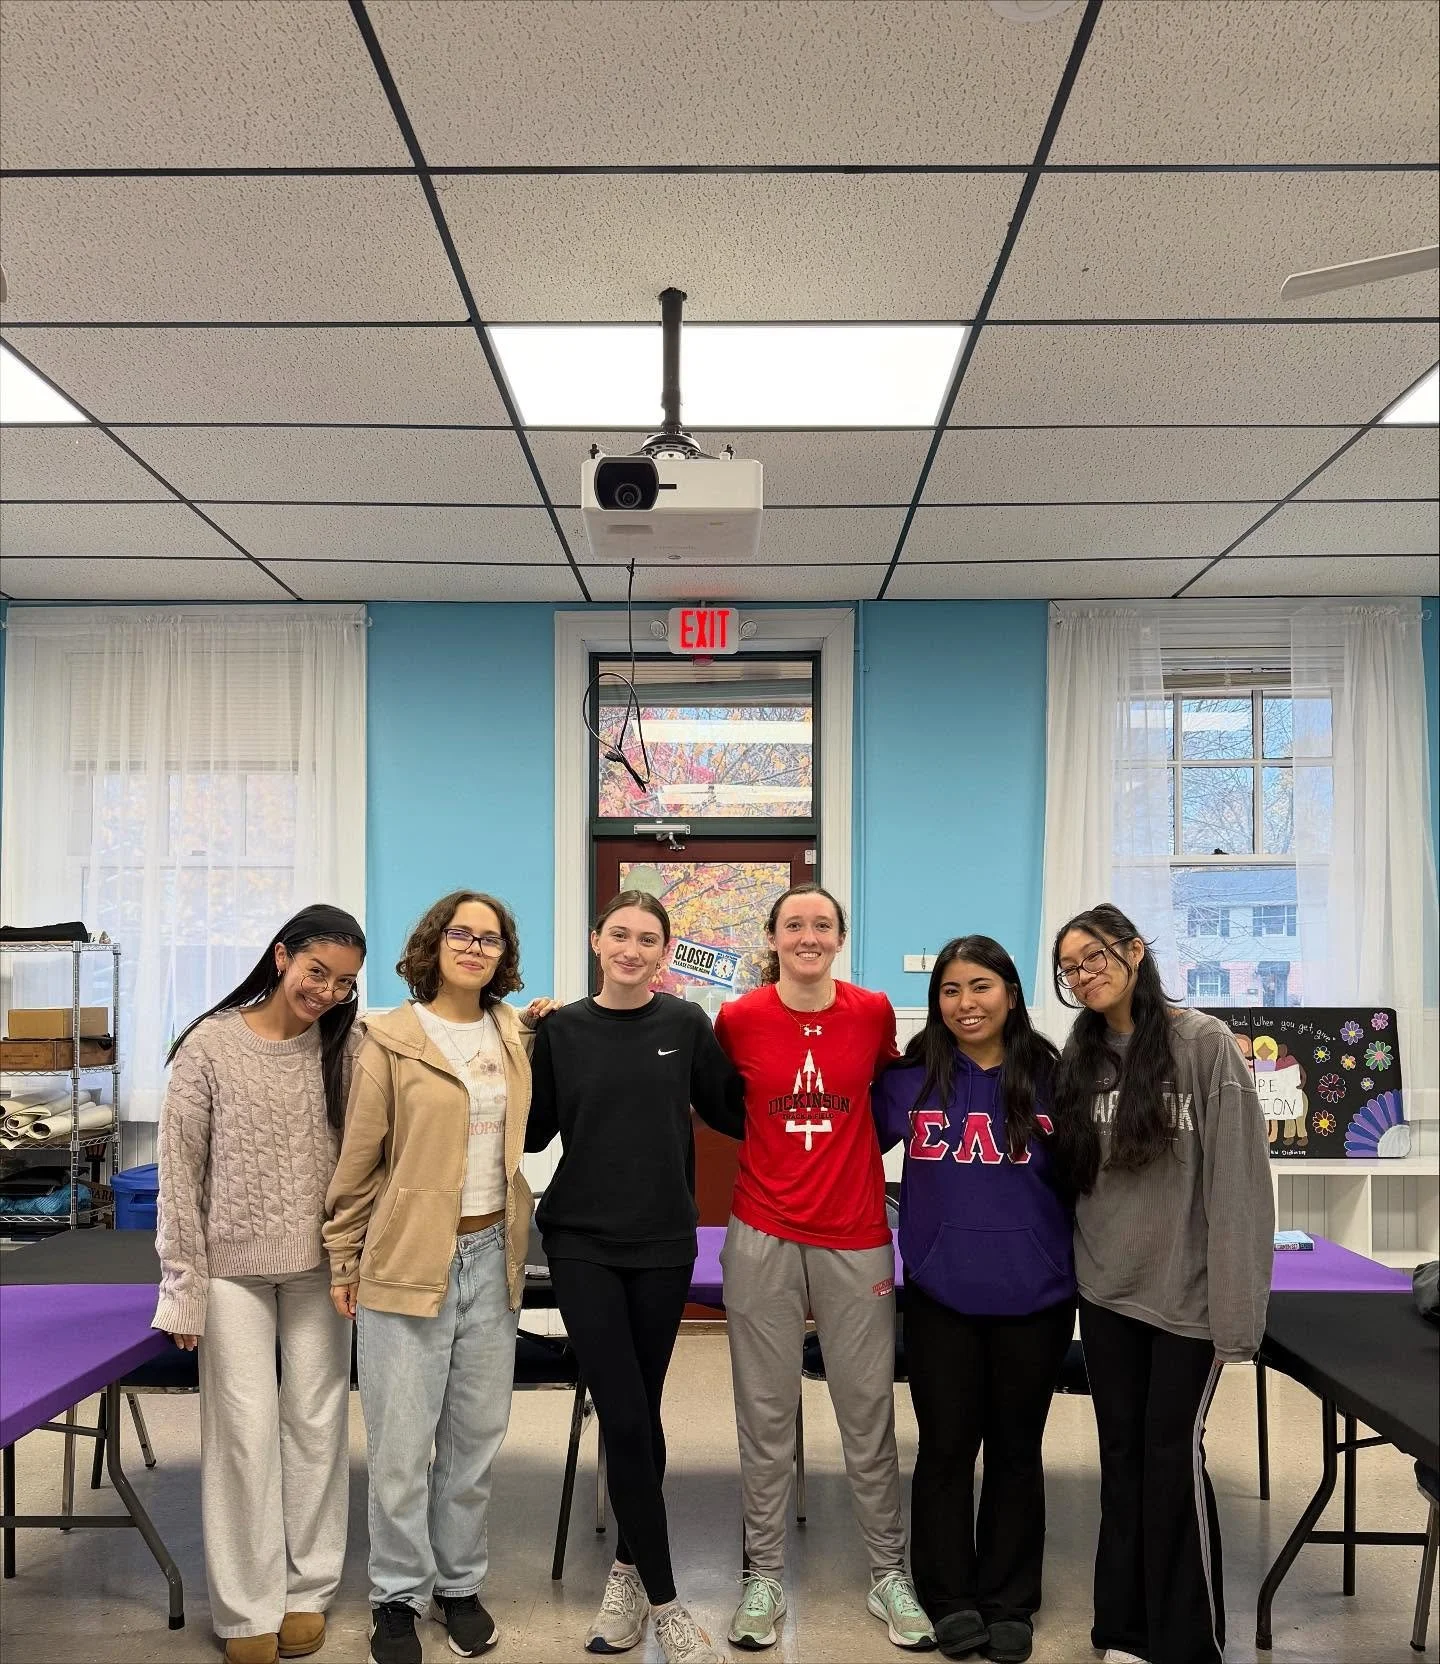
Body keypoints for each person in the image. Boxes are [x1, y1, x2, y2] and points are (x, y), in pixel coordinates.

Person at [323, 891, 555, 1664]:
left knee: (474, 1441)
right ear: (435, 942)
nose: (475, 947)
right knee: (398, 1446)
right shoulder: (387, 1038)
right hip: (406, 1262)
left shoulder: (511, 1033)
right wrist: (343, 1256)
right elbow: (360, 1160)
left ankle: (457, 1584)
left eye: (490, 938)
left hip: (494, 1256)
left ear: (502, 956)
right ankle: (395, 1596)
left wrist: (540, 1020)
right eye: (462, 932)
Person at [525, 891, 746, 1664]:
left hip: (662, 1242)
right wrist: (517, 1040)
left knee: (640, 1416)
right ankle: (665, 1599)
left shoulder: (686, 1025)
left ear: (664, 952)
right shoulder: (561, 1029)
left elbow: (736, 1113)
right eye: (618, 934)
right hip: (581, 1240)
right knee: (621, 1414)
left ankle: (624, 1569)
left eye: (647, 938)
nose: (631, 948)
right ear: (595, 941)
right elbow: (530, 1129)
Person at [1049, 903, 1273, 1664]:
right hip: (1107, 1294)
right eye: (1071, 967)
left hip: (1188, 1301)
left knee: (1171, 1460)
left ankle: (1186, 1643)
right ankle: (1122, 1631)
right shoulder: (1076, 1057)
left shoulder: (1202, 1044)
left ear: (1135, 951)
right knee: (1123, 1461)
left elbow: (1242, 1187)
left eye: (1096, 957)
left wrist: (1237, 1319)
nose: (1084, 975)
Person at [713, 882, 934, 1653]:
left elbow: (892, 1091)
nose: (808, 935)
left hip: (855, 1233)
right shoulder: (738, 1018)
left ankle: (887, 1573)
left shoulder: (871, 1010)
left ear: (840, 937)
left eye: (822, 924)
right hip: (763, 1231)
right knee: (765, 1415)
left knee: (866, 1411)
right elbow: (715, 1103)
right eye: (793, 924)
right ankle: (763, 1575)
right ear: (772, 937)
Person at [154, 903, 367, 1664]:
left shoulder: (347, 1046)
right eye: (317, 973)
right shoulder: (209, 1045)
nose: (328, 992)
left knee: (316, 1427)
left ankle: (308, 1590)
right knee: (243, 1437)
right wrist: (182, 1285)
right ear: (282, 958)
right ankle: (247, 1606)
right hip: (231, 1272)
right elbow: (180, 1174)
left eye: (344, 983)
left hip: (321, 1270)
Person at [873, 936, 1075, 1664]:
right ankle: (950, 1597)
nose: (967, 1003)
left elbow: (1097, 1179)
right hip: (941, 1294)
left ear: (1012, 994)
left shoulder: (1057, 1077)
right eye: (951, 991)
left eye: (981, 987)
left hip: (1039, 1294)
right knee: (947, 1450)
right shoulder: (910, 1079)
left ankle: (1009, 1600)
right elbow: (839, 1147)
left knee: (1019, 1451)